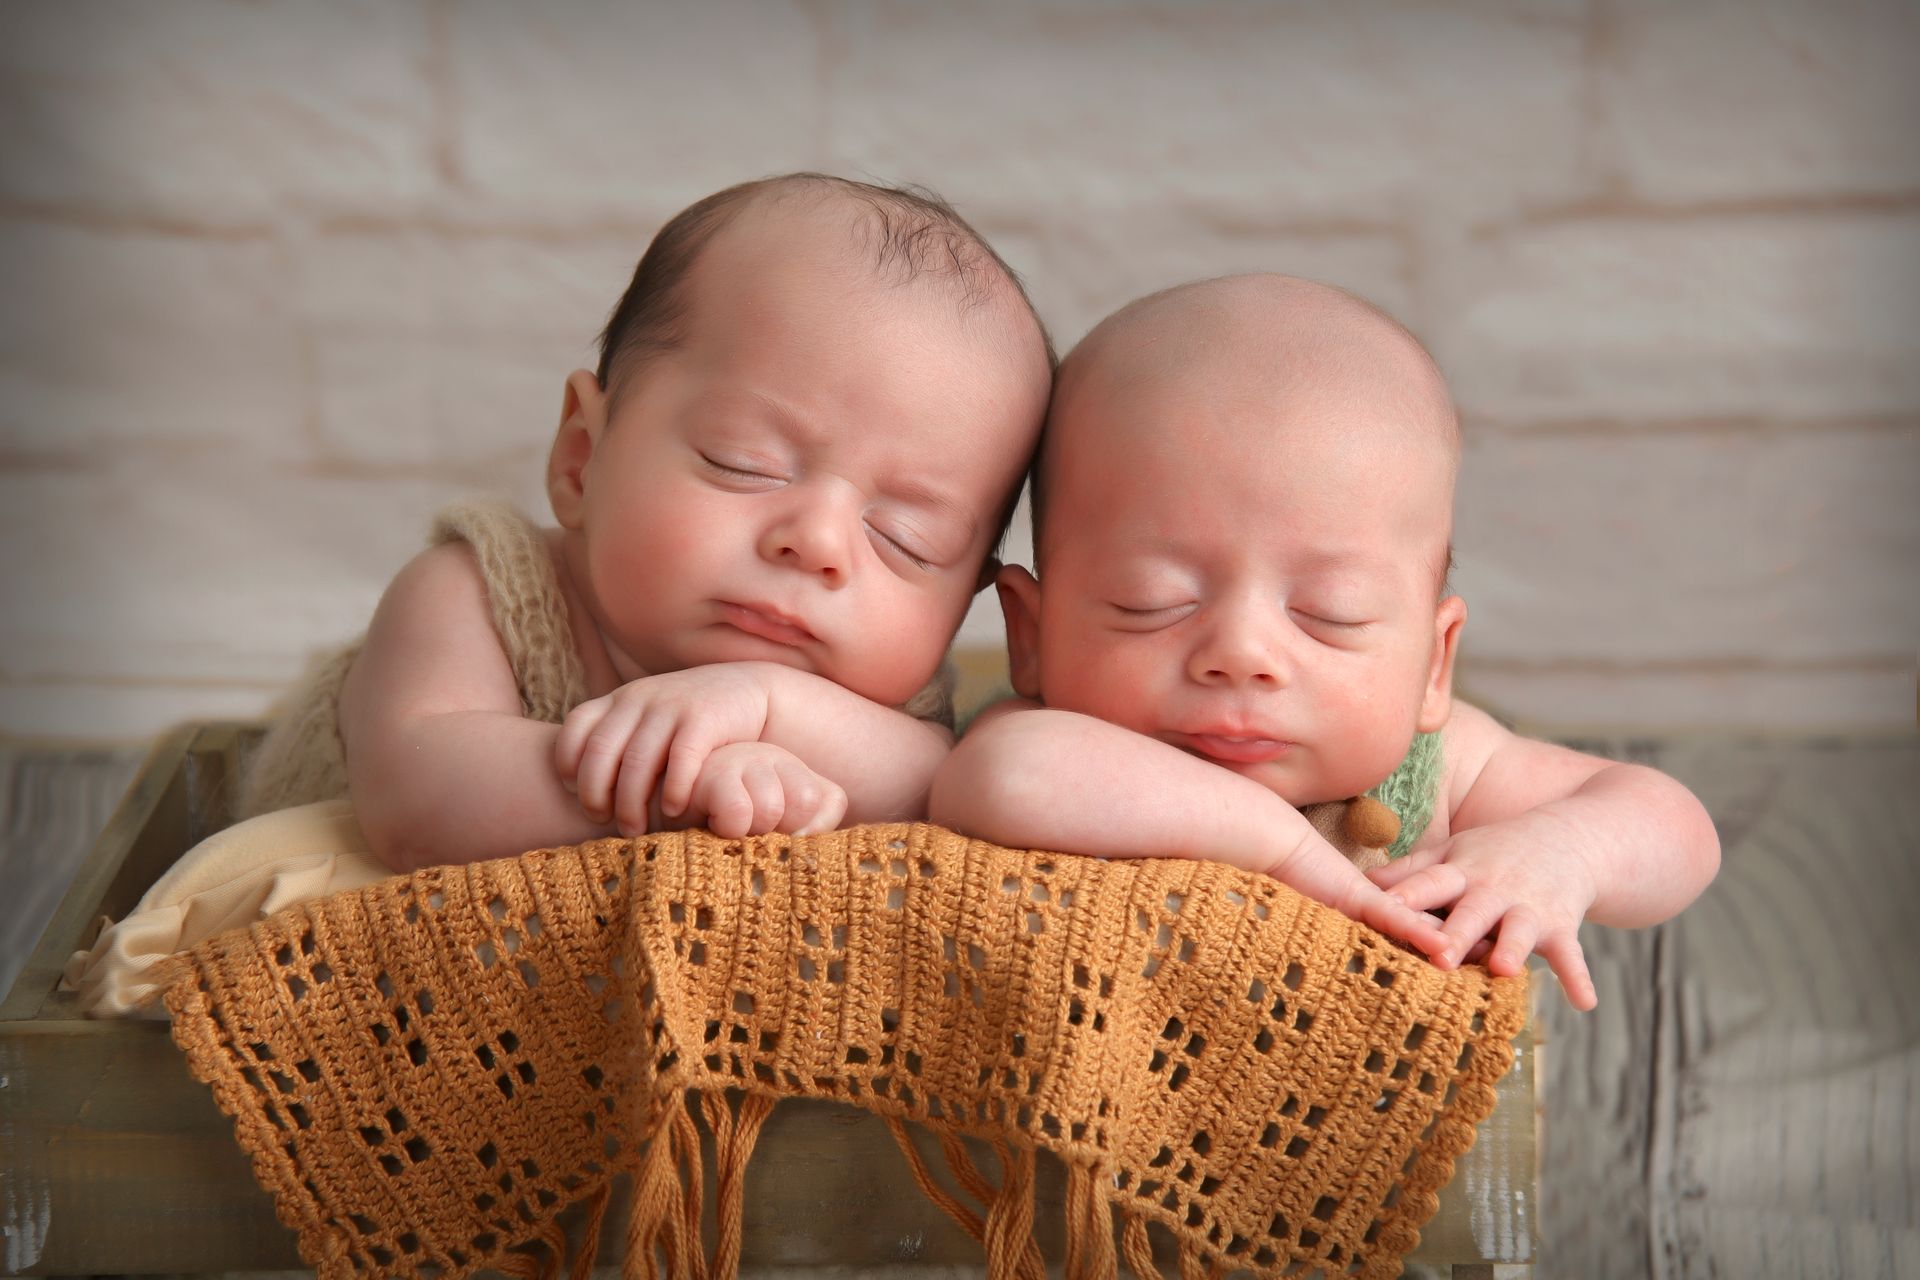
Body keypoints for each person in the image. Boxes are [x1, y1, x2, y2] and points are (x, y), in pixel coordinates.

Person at [929, 274, 1721, 1009]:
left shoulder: (1439, 771)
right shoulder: (1046, 746)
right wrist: (1270, 843)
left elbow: (1675, 826)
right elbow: (1001, 778)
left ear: (1431, 668)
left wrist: (1557, 853)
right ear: (1029, 636)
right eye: (1153, 602)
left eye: (1329, 613)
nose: (1242, 654)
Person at [240, 173, 1054, 873]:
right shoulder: (480, 591)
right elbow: (416, 797)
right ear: (582, 459)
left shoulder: (888, 711)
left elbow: (935, 793)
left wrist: (767, 704)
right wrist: (684, 785)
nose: (819, 543)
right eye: (744, 462)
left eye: (906, 539)